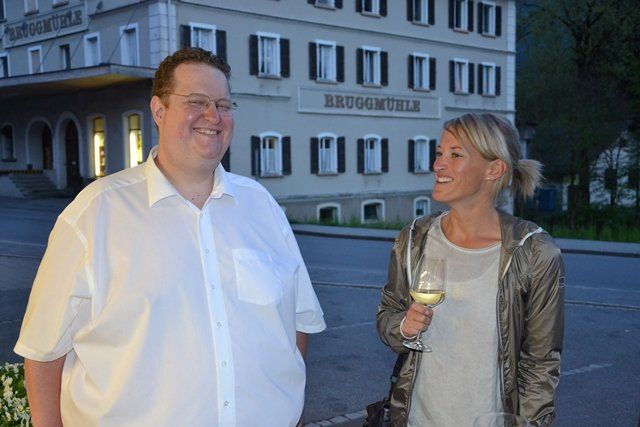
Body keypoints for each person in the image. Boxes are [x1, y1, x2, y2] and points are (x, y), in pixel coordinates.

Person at [14, 47, 326, 426]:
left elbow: (296, 326)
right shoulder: (94, 214)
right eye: (197, 101)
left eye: (223, 105)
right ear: (159, 111)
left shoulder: (263, 207)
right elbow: (43, 355)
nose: (213, 116)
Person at [377, 113, 564, 426]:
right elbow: (387, 316)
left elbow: (541, 365)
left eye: (455, 155)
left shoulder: (534, 252)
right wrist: (404, 327)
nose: (438, 164)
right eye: (440, 153)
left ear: (494, 169)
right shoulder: (413, 239)